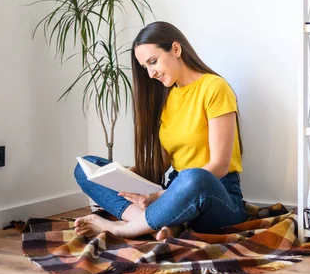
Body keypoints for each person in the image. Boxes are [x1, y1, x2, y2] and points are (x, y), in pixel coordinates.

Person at [73, 21, 247, 239]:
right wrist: (123, 176)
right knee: (87, 168)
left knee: (193, 177)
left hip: (214, 192)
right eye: (145, 67)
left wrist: (161, 196)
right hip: (172, 190)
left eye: (153, 62)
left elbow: (219, 166)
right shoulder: (168, 96)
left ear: (176, 49)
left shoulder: (214, 88)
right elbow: (164, 160)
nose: (150, 73)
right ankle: (160, 221)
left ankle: (124, 228)